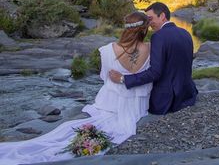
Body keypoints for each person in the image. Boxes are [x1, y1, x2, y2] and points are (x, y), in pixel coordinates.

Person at [0, 11, 152, 164]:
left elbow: (104, 77)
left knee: (68, 134)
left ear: (126, 28)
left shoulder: (107, 49)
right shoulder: (149, 48)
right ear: (144, 30)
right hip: (134, 103)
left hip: (110, 101)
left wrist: (118, 77)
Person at [109, 2, 198, 115]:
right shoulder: (185, 33)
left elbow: (155, 72)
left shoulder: (158, 37)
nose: (149, 24)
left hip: (169, 100)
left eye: (150, 19)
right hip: (187, 94)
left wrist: (124, 79)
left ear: (162, 16)